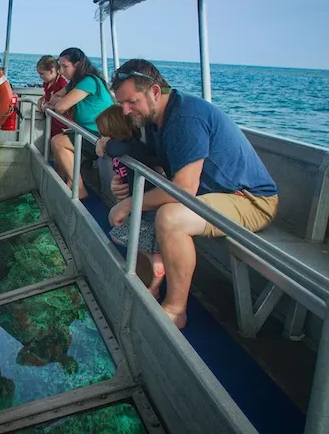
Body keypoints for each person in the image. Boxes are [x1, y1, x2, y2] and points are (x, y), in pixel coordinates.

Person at [108, 59, 279, 329]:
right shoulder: (156, 121)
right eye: (122, 104)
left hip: (250, 200)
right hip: (211, 194)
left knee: (171, 217)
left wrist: (130, 203)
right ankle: (147, 285)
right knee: (138, 209)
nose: (126, 111)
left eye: (131, 102)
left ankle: (176, 310)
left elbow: (184, 190)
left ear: (154, 91)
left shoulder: (185, 117)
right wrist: (123, 185)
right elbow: (159, 168)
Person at [94, 105, 165, 298]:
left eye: (104, 132)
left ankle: (154, 263)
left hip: (148, 204)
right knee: (144, 241)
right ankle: (154, 284)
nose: (101, 136)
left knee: (134, 237)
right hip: (136, 202)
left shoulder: (129, 146)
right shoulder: (125, 147)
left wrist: (104, 143)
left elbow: (116, 148)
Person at [48, 47, 114, 200]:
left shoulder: (89, 81)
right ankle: (70, 181)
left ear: (77, 64)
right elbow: (55, 98)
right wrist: (57, 101)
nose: (62, 71)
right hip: (86, 132)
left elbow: (60, 107)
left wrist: (60, 102)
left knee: (57, 142)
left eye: (65, 67)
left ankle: (79, 187)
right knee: (59, 151)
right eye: (60, 66)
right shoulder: (75, 83)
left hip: (101, 134)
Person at [35, 55, 70, 136]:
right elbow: (49, 94)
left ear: (51, 71)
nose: (40, 76)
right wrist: (42, 99)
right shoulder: (47, 83)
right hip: (51, 121)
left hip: (61, 122)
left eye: (42, 74)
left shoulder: (62, 83)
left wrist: (51, 106)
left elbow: (66, 103)